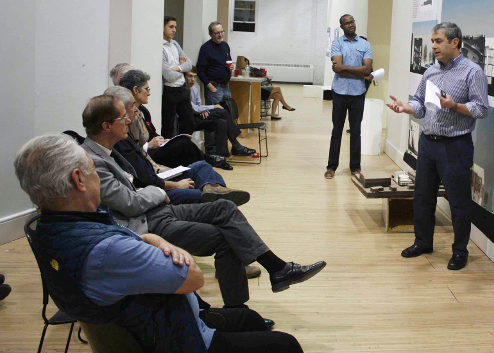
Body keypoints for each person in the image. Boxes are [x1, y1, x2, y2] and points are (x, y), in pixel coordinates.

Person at [14, 134, 303, 352]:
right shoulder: (108, 251)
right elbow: (194, 278)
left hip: (158, 321)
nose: (97, 182)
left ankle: (271, 271)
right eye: (92, 173)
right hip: (173, 338)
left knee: (248, 319)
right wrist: (167, 245)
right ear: (78, 179)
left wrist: (148, 239)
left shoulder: (49, 229)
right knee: (286, 345)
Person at [80, 94, 326, 306]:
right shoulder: (94, 162)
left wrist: (151, 191)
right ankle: (240, 310)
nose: (129, 120)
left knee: (224, 207)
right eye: (123, 117)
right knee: (227, 237)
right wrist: (157, 192)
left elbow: (135, 188)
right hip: (145, 224)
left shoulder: (109, 152)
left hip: (155, 210)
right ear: (107, 126)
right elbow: (130, 201)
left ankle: (278, 269)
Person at [387, 22, 489, 271]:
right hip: (428, 143)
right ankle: (422, 242)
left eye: (438, 41)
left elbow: (482, 109)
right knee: (422, 197)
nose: (433, 46)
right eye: (432, 41)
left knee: (458, 202)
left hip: (455, 145)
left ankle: (459, 251)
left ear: (455, 42)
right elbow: (420, 104)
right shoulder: (430, 71)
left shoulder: (472, 72)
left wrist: (455, 106)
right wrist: (406, 107)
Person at [105, 86, 250, 206]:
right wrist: (176, 184)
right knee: (210, 198)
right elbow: (146, 179)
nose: (135, 109)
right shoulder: (119, 142)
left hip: (158, 173)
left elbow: (146, 160)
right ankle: (215, 194)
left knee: (202, 166)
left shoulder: (126, 133)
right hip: (155, 187)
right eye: (131, 106)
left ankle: (214, 189)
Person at [121, 69, 231, 170]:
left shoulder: (143, 111)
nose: (149, 93)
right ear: (136, 90)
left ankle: (203, 170)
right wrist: (148, 145)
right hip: (147, 155)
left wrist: (163, 140)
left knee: (183, 144)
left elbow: (152, 133)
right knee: (183, 144)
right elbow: (130, 146)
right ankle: (206, 162)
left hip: (154, 150)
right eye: (146, 89)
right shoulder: (127, 116)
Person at [324, 14, 372, 179]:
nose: (350, 25)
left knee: (356, 131)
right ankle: (331, 167)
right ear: (342, 26)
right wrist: (359, 72)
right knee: (336, 130)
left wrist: (345, 68)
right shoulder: (337, 43)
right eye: (347, 23)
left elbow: (367, 70)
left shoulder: (365, 44)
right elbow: (337, 69)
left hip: (358, 94)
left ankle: (355, 168)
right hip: (339, 92)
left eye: (352, 21)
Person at [185, 68, 256, 158]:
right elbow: (194, 109)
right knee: (221, 111)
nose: (192, 79)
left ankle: (222, 155)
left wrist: (204, 110)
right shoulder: (182, 90)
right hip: (188, 120)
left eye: (195, 77)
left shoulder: (194, 89)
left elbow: (198, 105)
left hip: (197, 116)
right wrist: (213, 106)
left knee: (222, 122)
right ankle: (236, 144)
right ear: (183, 77)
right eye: (189, 76)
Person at [162, 16, 197, 138]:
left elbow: (189, 64)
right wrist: (182, 69)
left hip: (182, 88)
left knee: (189, 124)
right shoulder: (160, 47)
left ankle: (183, 147)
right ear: (162, 27)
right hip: (170, 91)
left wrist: (177, 68)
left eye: (175, 27)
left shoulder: (175, 44)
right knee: (168, 126)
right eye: (171, 27)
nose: (174, 30)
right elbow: (168, 75)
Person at [197, 21, 234, 106]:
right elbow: (200, 70)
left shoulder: (225, 46)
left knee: (228, 115)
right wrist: (211, 87)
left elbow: (228, 63)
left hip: (226, 87)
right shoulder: (206, 48)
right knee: (215, 116)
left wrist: (230, 68)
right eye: (217, 33)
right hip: (214, 89)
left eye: (222, 32)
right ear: (210, 34)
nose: (220, 35)